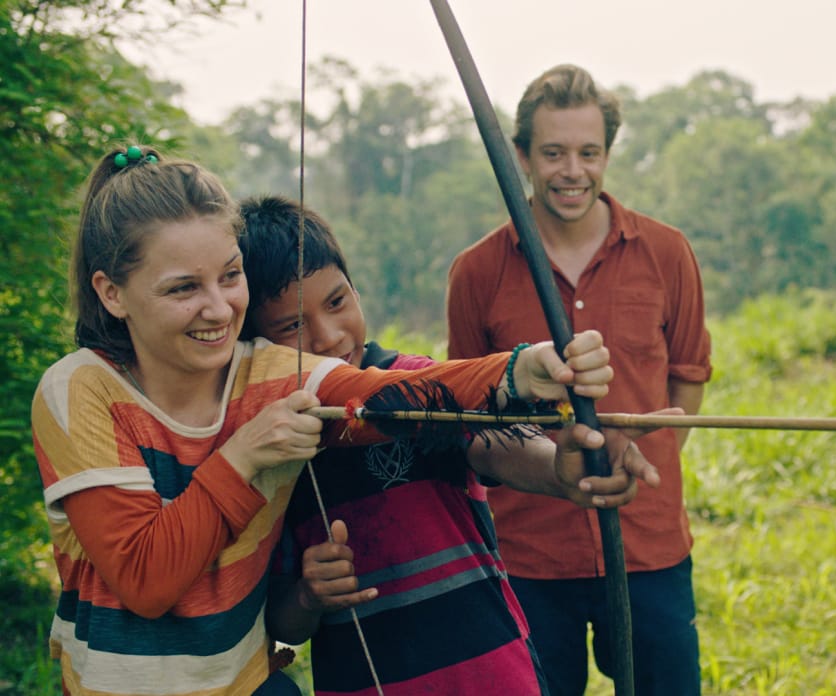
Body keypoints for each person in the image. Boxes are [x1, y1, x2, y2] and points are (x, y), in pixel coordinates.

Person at [31, 145, 617, 696]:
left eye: (229, 276)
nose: (217, 308)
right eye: (183, 287)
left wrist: (523, 371)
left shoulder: (269, 371)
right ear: (111, 293)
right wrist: (242, 457)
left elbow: (388, 396)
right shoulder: (80, 388)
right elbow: (146, 580)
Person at [238, 195, 668, 694]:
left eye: (338, 302)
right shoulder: (272, 439)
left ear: (357, 290)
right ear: (259, 345)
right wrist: (310, 596)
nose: (329, 336)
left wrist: (562, 470)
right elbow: (284, 623)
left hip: (493, 674)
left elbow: (494, 444)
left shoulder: (416, 383)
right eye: (292, 325)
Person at [446, 64, 713, 695]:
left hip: (648, 545)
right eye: (554, 153)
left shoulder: (666, 252)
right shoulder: (477, 271)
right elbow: (469, 413)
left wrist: (647, 452)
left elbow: (687, 377)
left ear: (608, 155)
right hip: (529, 552)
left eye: (589, 153)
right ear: (522, 157)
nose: (573, 171)